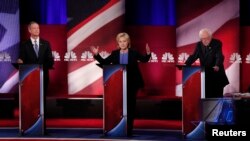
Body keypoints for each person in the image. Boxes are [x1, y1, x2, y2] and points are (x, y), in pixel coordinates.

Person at [91, 32, 151, 136]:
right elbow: (105, 62)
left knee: (130, 106)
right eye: (120, 41)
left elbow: (144, 60)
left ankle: (129, 129)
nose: (122, 43)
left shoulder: (134, 52)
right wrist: (97, 55)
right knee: (119, 106)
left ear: (128, 42)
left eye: (124, 41)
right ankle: (118, 127)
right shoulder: (115, 53)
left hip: (132, 83)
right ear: (118, 43)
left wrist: (148, 54)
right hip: (118, 84)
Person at [17, 21, 54, 133]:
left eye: (38, 28)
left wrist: (45, 64)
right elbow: (21, 59)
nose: (37, 30)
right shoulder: (24, 45)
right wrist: (20, 61)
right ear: (29, 30)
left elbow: (50, 60)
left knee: (42, 102)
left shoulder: (46, 43)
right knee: (30, 103)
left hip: (43, 78)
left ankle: (42, 127)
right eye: (34, 28)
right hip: (29, 79)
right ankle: (29, 126)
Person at [185, 28, 229, 98]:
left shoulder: (217, 43)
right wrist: (186, 64)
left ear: (211, 37)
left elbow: (219, 56)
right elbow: (194, 56)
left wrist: (217, 65)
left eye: (206, 38)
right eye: (202, 39)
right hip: (205, 76)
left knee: (216, 99)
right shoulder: (199, 45)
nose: (204, 40)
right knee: (206, 98)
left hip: (216, 76)